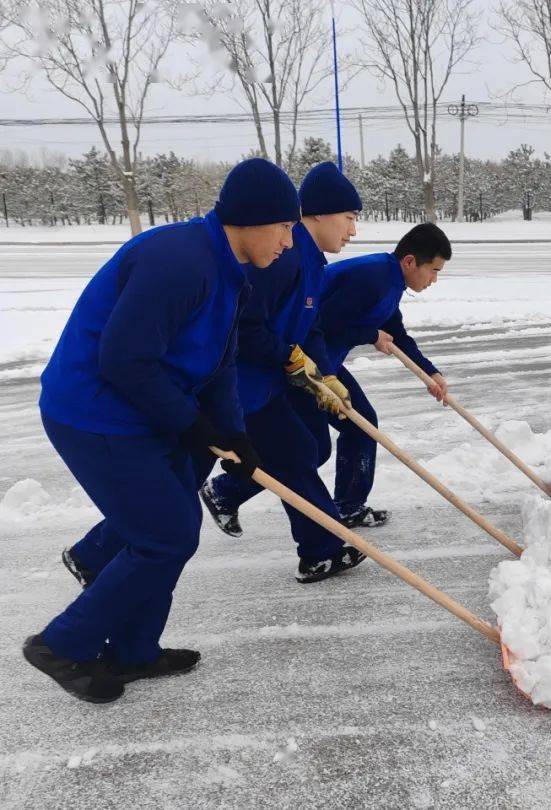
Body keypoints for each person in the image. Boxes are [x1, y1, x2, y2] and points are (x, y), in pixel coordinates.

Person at [25, 158, 293, 703]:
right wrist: (192, 425)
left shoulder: (228, 273)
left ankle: (132, 651)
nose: (290, 242)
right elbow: (123, 359)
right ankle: (61, 644)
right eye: (286, 227)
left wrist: (233, 434)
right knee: (165, 534)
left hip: (142, 408)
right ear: (250, 219)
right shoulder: (179, 259)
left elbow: (221, 361)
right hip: (95, 411)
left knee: (167, 526)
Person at [199, 162, 368, 583]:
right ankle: (321, 549)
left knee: (310, 450)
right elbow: (245, 324)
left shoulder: (311, 264)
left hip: (270, 382)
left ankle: (227, 492)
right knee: (294, 456)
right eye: (349, 219)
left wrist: (326, 376)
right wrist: (289, 359)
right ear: (318, 214)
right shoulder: (283, 260)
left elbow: (310, 327)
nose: (353, 231)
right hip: (243, 386)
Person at [316, 223, 451, 527]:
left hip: (327, 362)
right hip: (306, 364)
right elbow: (322, 319)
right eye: (433, 270)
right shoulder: (373, 277)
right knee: (308, 447)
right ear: (410, 261)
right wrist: (370, 334)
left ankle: (349, 506)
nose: (434, 279)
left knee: (361, 425)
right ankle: (227, 490)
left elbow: (396, 333)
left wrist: (430, 373)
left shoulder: (390, 280)